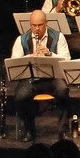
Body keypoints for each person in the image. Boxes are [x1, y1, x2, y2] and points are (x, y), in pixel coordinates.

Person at [11, 10, 71, 142]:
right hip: (31, 79)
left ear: (46, 23)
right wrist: (30, 57)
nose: (37, 29)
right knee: (21, 96)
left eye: (40, 25)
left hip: (53, 77)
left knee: (63, 90)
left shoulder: (58, 37)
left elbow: (67, 60)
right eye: (34, 25)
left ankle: (63, 131)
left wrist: (50, 54)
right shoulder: (21, 39)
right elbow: (14, 62)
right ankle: (29, 130)